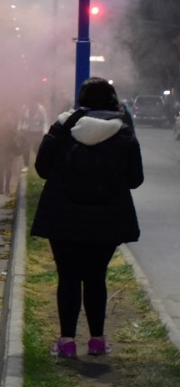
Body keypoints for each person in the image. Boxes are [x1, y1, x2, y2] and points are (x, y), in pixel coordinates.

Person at [31, 77, 143, 358]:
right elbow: (135, 179)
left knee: (67, 277)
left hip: (63, 217)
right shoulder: (123, 132)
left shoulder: (63, 126)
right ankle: (97, 340)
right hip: (107, 219)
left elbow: (42, 168)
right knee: (96, 277)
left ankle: (67, 341)